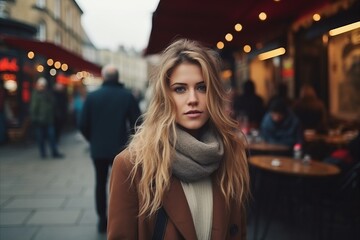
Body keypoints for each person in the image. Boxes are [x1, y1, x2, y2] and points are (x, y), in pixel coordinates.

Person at [108, 39, 250, 239]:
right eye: (180, 89)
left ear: (213, 94)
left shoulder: (231, 153)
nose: (193, 99)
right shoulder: (132, 164)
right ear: (165, 96)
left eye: (202, 87)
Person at [79, 64, 141, 233]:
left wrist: (93, 139)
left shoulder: (92, 97)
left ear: (104, 77)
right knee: (121, 186)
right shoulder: (127, 96)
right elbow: (138, 124)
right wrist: (130, 143)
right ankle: (122, 221)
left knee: (100, 183)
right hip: (121, 150)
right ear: (118, 77)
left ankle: (101, 220)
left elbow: (83, 124)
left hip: (98, 149)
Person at [30, 77, 63, 158]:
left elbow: (53, 104)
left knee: (52, 137)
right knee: (40, 138)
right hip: (39, 120)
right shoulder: (35, 94)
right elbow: (33, 108)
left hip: (48, 120)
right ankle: (43, 153)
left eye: (43, 86)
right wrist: (34, 118)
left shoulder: (48, 94)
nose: (42, 87)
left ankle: (54, 152)